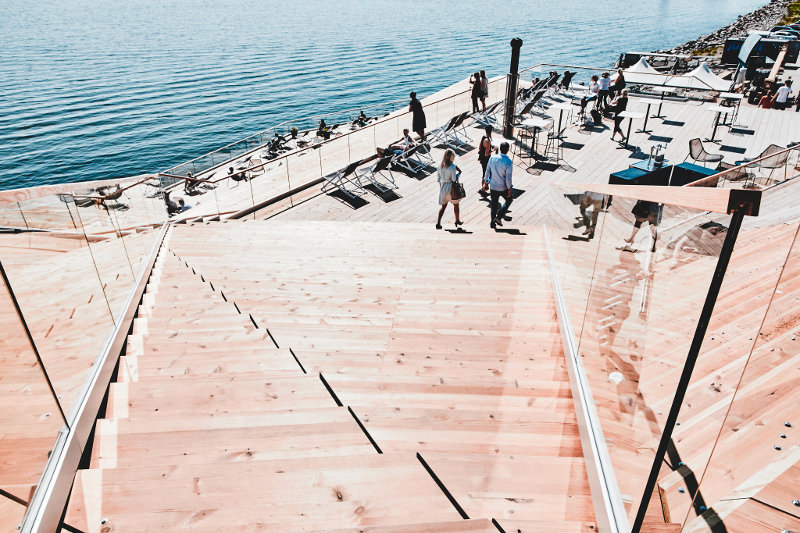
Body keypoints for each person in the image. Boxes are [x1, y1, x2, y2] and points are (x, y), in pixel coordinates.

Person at [484, 142, 513, 229]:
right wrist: (509, 188)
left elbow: (487, 171)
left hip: (493, 186)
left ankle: (492, 223)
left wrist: (486, 181)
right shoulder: (508, 162)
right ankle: (499, 216)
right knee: (509, 200)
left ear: (500, 148)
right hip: (503, 187)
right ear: (508, 150)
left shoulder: (492, 158)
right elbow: (508, 178)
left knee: (494, 205)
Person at [436, 148, 463, 229]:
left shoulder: (439, 166)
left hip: (443, 188)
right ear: (452, 157)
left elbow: (438, 179)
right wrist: (459, 173)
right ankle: (457, 220)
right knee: (456, 205)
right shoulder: (453, 166)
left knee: (443, 207)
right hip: (451, 188)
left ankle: (438, 222)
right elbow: (454, 179)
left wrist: (441, 188)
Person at [477, 125, 495, 197]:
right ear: (491, 131)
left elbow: (480, 148)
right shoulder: (488, 140)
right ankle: (482, 189)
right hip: (486, 159)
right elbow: (487, 153)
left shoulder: (483, 137)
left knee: (484, 174)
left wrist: (490, 146)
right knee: (488, 175)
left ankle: (484, 189)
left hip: (481, 158)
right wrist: (493, 150)